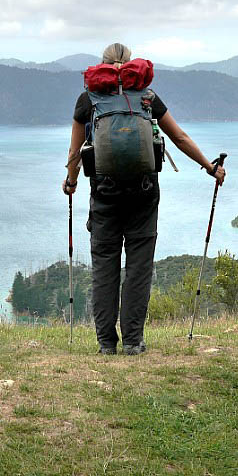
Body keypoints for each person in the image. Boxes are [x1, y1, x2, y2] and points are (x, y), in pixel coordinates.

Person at [62, 42, 226, 355]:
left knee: (104, 266)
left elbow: (75, 153)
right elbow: (179, 138)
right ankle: (133, 342)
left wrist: (71, 183)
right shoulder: (148, 98)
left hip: (104, 193)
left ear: (103, 65)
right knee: (138, 267)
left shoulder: (88, 100)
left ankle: (106, 344)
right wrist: (210, 167)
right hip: (144, 192)